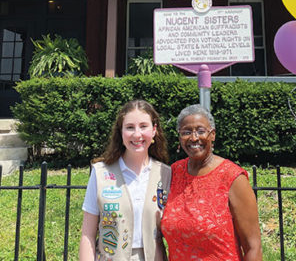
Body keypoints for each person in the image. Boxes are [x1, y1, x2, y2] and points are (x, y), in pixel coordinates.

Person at [161, 104, 262, 261]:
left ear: (212, 135)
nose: (194, 138)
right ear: (179, 137)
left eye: (201, 131)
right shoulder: (174, 172)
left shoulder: (233, 177)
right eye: (186, 132)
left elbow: (253, 246)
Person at [79, 100, 171, 261]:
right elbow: (88, 234)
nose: (137, 134)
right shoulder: (100, 173)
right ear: (121, 132)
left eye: (143, 126)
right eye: (129, 127)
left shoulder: (165, 174)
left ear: (154, 130)